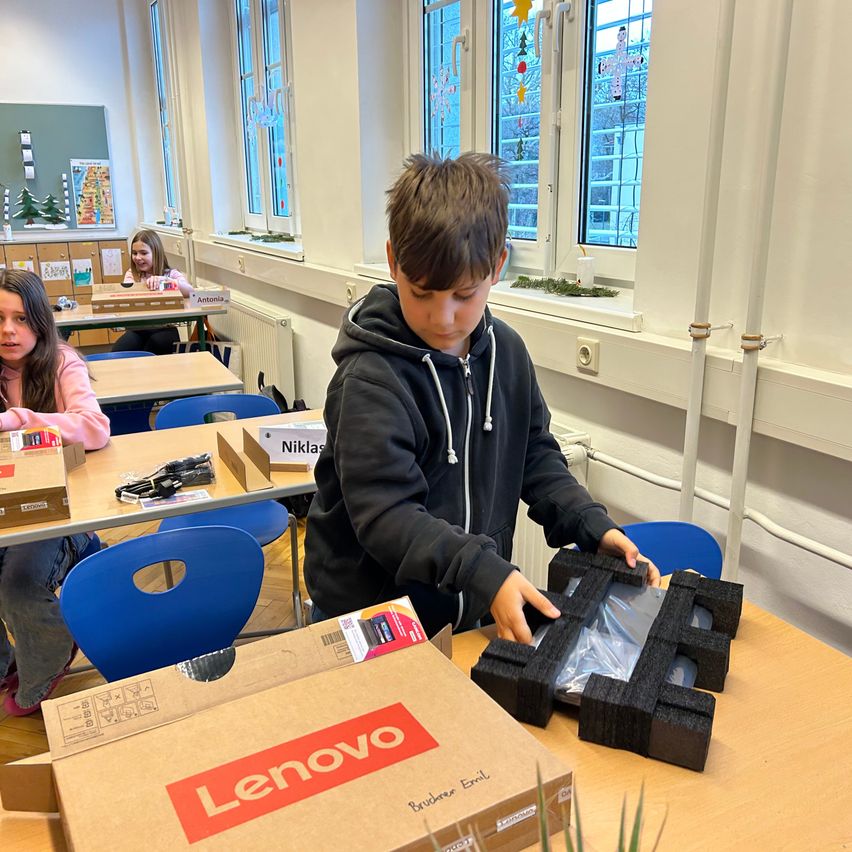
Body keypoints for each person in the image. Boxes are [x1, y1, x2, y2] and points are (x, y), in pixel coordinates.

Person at [304, 153, 660, 643]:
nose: (443, 317)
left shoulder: (507, 354)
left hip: (464, 607)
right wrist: (482, 569)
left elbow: (535, 455)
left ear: (497, 267)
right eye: (422, 293)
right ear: (393, 262)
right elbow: (387, 515)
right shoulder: (369, 378)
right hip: (371, 614)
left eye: (464, 295)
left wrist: (589, 523)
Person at [0, 269, 110, 715]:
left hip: (61, 512)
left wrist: (20, 419)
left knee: (18, 585)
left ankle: (48, 658)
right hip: (9, 507)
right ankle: (7, 662)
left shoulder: (62, 362)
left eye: (22, 319)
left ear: (41, 323)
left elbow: (95, 428)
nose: (9, 330)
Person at [110, 229, 194, 355]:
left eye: (143, 253)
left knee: (157, 344)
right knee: (117, 353)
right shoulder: (132, 274)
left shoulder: (170, 274)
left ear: (156, 253)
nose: (138, 258)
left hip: (165, 329)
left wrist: (165, 281)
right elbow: (126, 294)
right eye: (134, 253)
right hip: (138, 329)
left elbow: (190, 291)